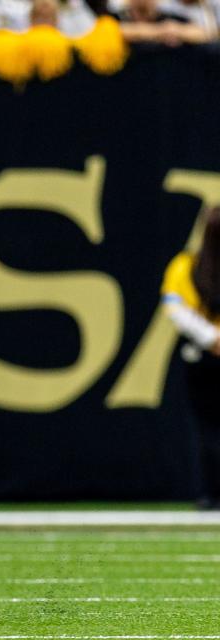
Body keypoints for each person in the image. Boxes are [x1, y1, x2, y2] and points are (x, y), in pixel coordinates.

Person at [162, 206, 220, 510]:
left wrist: (210, 339)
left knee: (208, 428)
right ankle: (210, 493)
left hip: (202, 354)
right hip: (204, 359)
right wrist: (213, 339)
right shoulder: (187, 265)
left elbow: (175, 309)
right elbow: (175, 308)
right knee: (207, 428)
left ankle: (210, 495)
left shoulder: (186, 264)